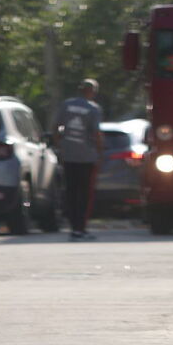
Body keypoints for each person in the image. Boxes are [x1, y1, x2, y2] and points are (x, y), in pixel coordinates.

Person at [53, 79, 103, 241]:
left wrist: (60, 145)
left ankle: (74, 228)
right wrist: (100, 153)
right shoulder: (93, 109)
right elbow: (96, 134)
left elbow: (55, 127)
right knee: (84, 194)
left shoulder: (66, 105)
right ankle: (80, 228)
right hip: (86, 157)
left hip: (69, 155)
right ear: (92, 91)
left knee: (71, 192)